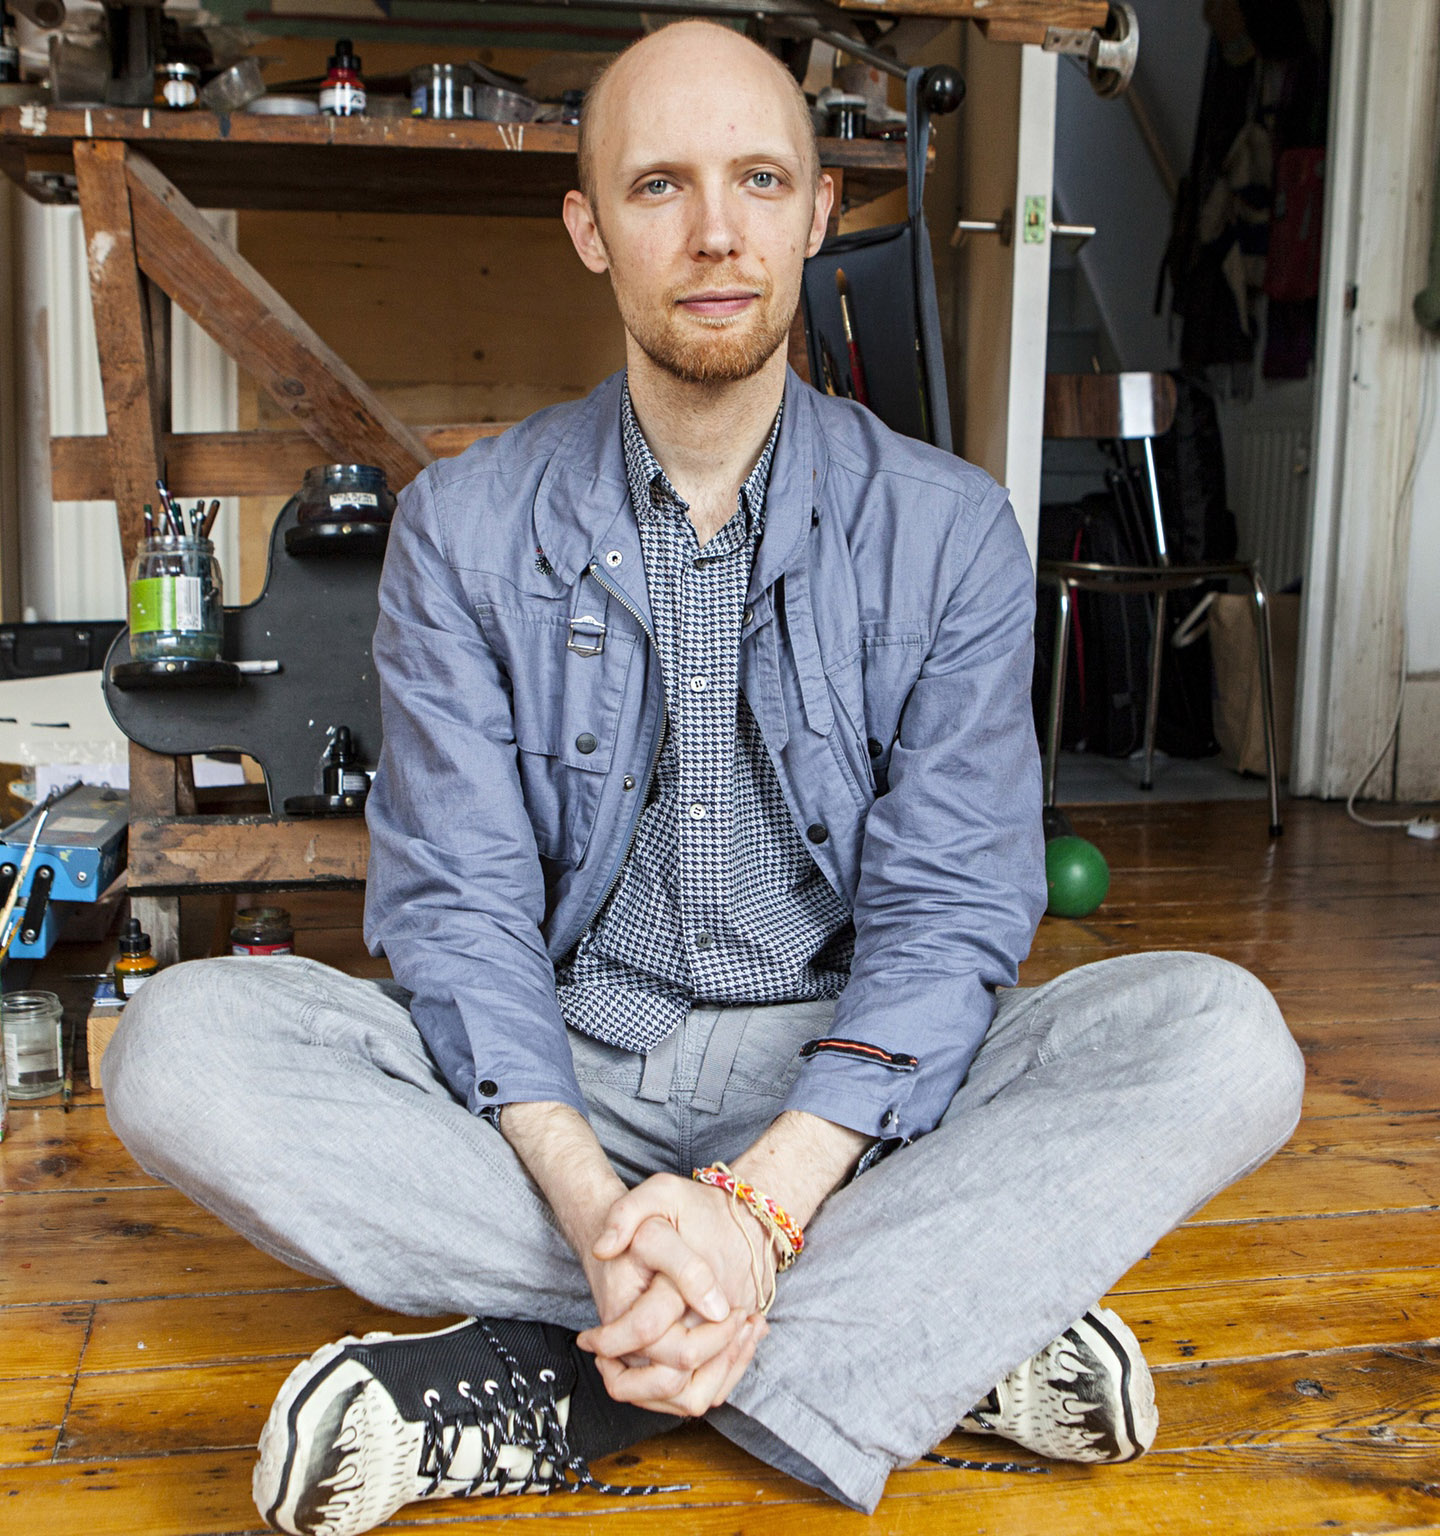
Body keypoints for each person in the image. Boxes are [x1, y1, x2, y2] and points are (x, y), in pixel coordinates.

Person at [102, 20, 1306, 1536]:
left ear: (818, 210)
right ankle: (925, 1323)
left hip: (856, 1096)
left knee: (1222, 1041)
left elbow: (949, 920)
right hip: (561, 1078)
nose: (718, 232)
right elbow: (460, 915)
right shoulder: (466, 530)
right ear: (590, 228)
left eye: (758, 180)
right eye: (660, 187)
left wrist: (765, 1200)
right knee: (176, 1049)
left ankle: (560, 1387)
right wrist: (611, 1210)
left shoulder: (946, 535)